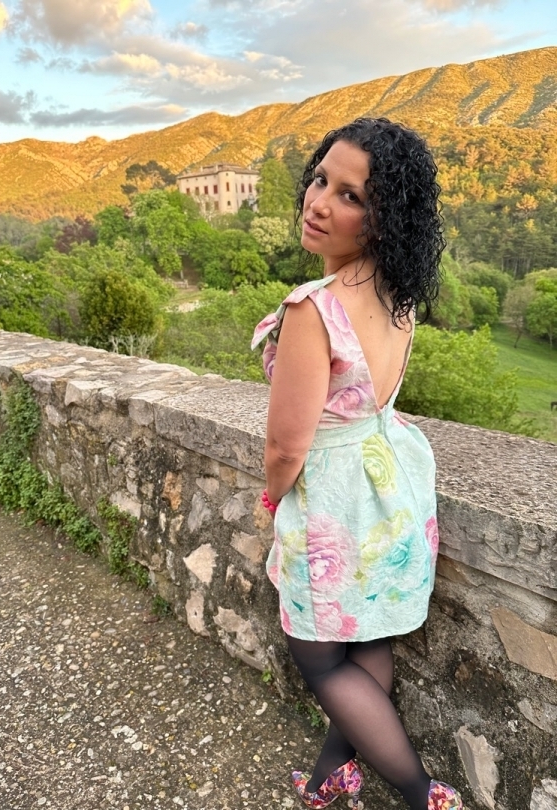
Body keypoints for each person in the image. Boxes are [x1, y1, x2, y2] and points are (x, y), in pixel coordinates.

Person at [251, 118, 466, 810]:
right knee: (365, 633)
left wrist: (270, 499)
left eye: (349, 196)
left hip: (332, 503)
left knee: (318, 657)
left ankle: (421, 792)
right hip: (388, 485)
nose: (317, 202)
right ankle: (332, 775)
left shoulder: (312, 310)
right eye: (320, 180)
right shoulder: (396, 292)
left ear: (382, 218)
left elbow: (287, 447)